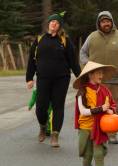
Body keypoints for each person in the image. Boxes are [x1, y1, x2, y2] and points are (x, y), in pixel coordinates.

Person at [80, 11, 118, 144]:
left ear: (112, 22)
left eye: (108, 21)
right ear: (99, 23)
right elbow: (82, 52)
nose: (106, 23)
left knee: (113, 106)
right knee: (96, 106)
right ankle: (98, 132)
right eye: (103, 21)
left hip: (116, 80)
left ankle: (112, 133)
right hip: (96, 81)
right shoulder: (92, 37)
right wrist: (89, 66)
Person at [26, 12, 81, 147]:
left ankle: (55, 135)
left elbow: (73, 62)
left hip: (61, 79)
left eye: (56, 22)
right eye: (51, 21)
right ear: (48, 24)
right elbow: (31, 61)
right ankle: (43, 127)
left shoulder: (65, 41)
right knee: (40, 107)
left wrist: (81, 78)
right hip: (43, 78)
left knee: (58, 107)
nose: (53, 23)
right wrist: (29, 78)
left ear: (59, 26)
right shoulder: (39, 39)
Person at [73, 61, 117, 166]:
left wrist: (110, 110)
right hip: (86, 128)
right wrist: (100, 109)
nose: (101, 75)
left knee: (99, 155)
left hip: (100, 128)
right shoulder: (82, 91)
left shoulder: (105, 90)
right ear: (90, 74)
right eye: (98, 72)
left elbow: (112, 105)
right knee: (87, 156)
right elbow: (83, 111)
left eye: (102, 72)